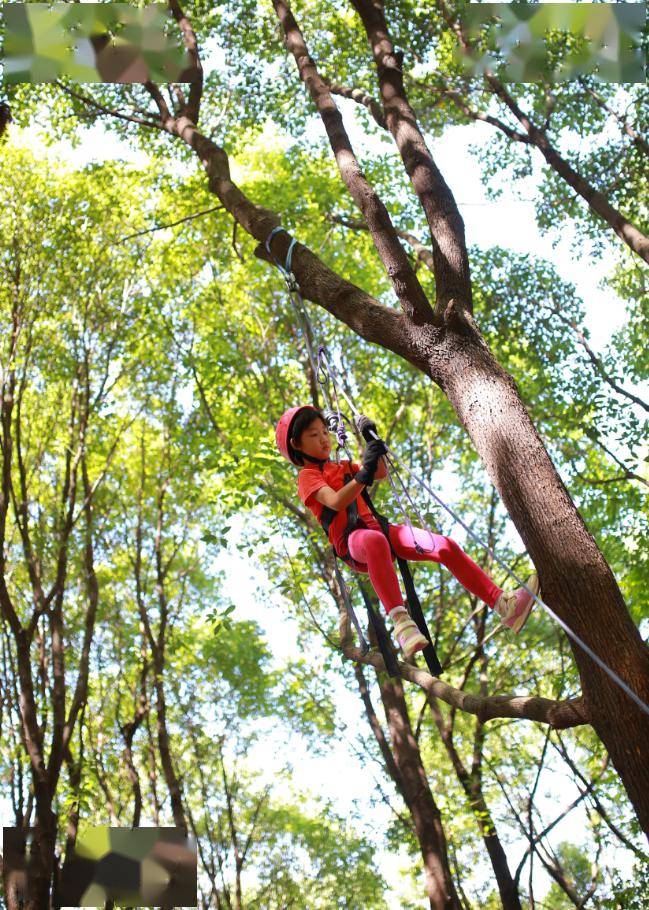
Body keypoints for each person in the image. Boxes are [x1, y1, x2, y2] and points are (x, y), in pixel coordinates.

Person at [275, 405, 540, 660]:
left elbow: (379, 472)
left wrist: (370, 441)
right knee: (375, 540)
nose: (323, 439)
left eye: (324, 432)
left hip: (381, 530)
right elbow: (335, 501)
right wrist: (364, 472)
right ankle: (402, 624)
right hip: (354, 541)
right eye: (313, 435)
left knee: (444, 546)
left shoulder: (343, 466)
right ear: (297, 445)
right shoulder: (307, 476)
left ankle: (504, 606)